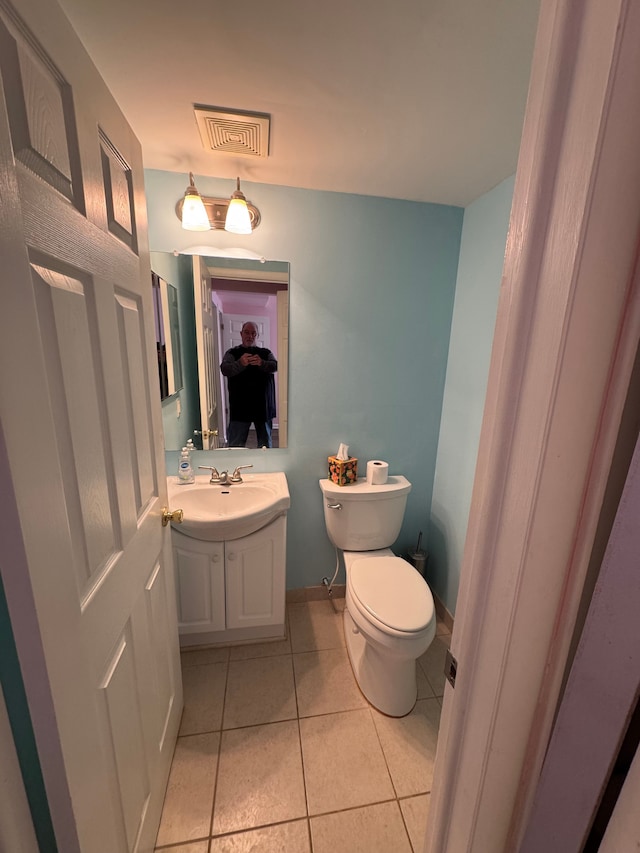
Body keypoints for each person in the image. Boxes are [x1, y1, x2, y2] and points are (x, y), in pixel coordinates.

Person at [220, 321, 277, 448]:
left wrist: (262, 363)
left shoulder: (265, 353)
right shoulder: (232, 353)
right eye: (246, 332)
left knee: (265, 445)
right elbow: (225, 369)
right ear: (241, 334)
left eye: (253, 333)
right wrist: (240, 363)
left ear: (257, 336)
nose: (250, 336)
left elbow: (275, 366)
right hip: (240, 406)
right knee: (235, 446)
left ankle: (265, 466)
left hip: (263, 407)